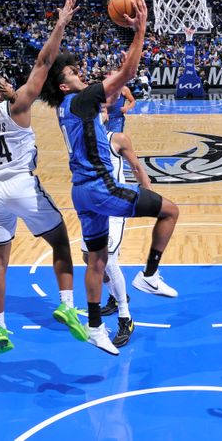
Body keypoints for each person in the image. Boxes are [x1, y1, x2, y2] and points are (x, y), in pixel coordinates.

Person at [40, 0, 180, 356]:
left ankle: (94, 327)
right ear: (64, 86)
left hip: (80, 193)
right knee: (170, 211)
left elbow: (53, 67)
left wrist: (61, 27)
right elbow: (127, 74)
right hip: (102, 190)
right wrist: (140, 31)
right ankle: (148, 276)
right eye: (72, 73)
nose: (79, 73)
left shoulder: (66, 109)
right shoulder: (81, 100)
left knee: (96, 260)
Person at [0, 0, 86, 354]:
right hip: (21, 184)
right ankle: (66, 304)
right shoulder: (16, 105)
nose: (11, 83)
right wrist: (60, 23)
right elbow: (45, 61)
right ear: (0, 91)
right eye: (5, 81)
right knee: (61, 242)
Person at [81, 124, 151, 347]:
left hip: (113, 206)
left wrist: (150, 198)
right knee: (88, 258)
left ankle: (125, 318)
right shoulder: (80, 139)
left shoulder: (118, 139)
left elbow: (137, 166)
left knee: (107, 261)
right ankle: (114, 295)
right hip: (92, 207)